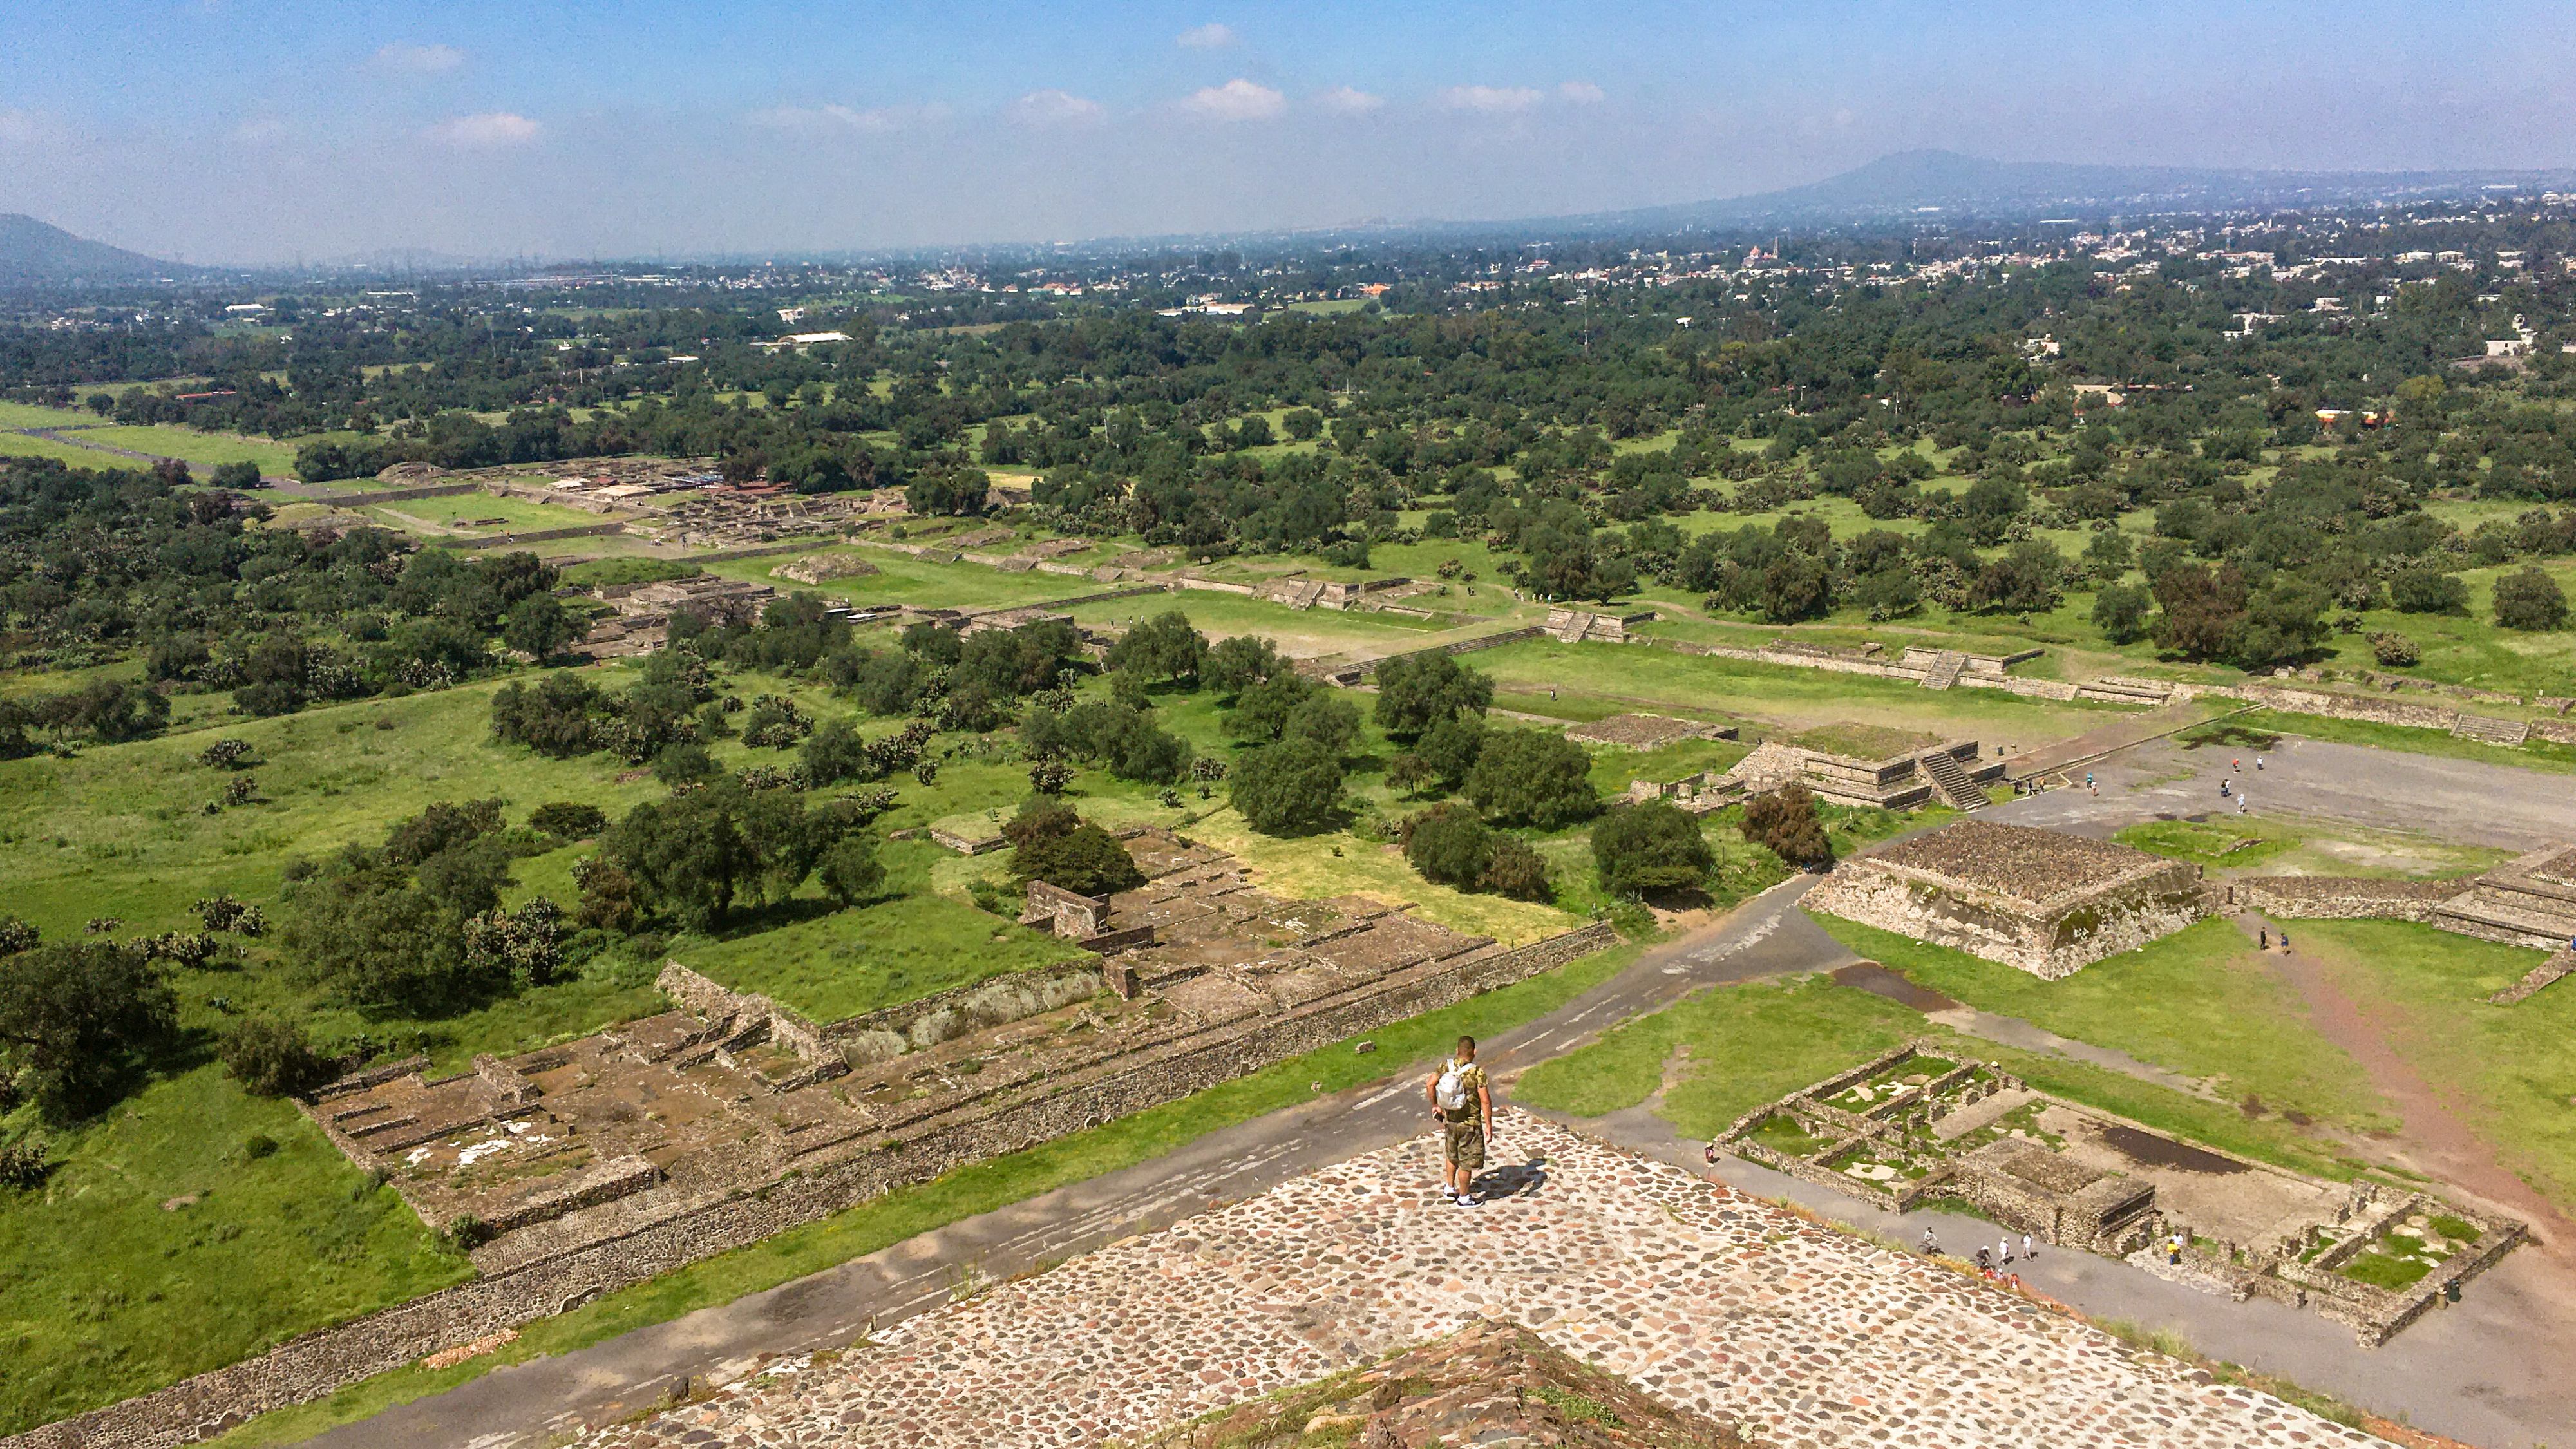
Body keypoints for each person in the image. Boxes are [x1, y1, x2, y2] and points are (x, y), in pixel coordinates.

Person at [1426, 1036, 1493, 1207]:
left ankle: (1450, 1188)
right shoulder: (1477, 1073)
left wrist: (1435, 1105)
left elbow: (1430, 1084)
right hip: (1470, 1124)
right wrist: (1489, 1126)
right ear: (1474, 1052)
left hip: (1450, 1122)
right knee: (1466, 1162)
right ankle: (1464, 1197)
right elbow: (1485, 1100)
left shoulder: (1445, 1066)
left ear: (1457, 1051)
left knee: (1452, 1155)